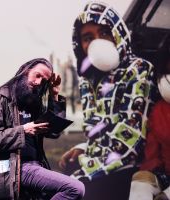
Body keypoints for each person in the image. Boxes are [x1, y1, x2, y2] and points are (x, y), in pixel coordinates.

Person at [58, 1, 157, 199]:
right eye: (88, 38)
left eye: (104, 33)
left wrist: (84, 172)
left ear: (117, 33)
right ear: (81, 45)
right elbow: (99, 132)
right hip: (100, 165)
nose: (97, 42)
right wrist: (82, 149)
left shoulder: (139, 70)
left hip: (129, 168)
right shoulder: (88, 80)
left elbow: (129, 142)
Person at [0, 58, 85, 200]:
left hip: (36, 166)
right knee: (74, 188)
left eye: (44, 80)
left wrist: (54, 95)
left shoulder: (32, 100)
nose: (39, 82)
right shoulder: (0, 98)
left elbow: (53, 132)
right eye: (37, 75)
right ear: (25, 71)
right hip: (16, 168)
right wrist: (23, 130)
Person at [128, 37, 170, 200]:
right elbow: (152, 155)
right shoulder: (158, 110)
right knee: (140, 182)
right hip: (165, 173)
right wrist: (152, 173)